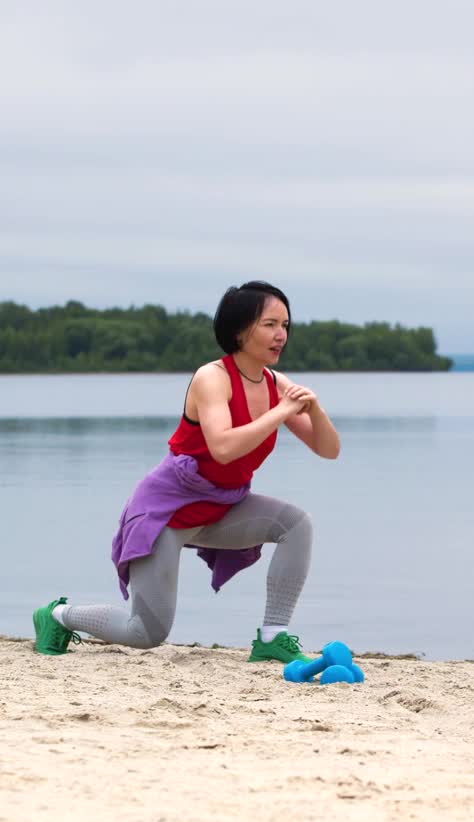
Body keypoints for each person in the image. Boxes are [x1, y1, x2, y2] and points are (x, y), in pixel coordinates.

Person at [32, 281, 340, 662]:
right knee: (145, 632)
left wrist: (315, 409)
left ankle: (272, 636)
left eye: (286, 326)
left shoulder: (279, 386)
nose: (281, 335)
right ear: (240, 330)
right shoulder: (212, 378)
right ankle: (58, 616)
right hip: (167, 514)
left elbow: (329, 450)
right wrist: (281, 412)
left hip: (221, 507)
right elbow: (223, 448)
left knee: (297, 524)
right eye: (270, 324)